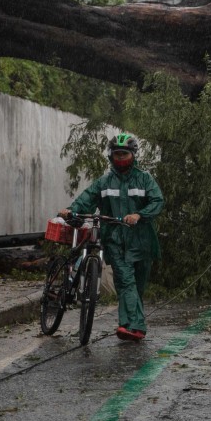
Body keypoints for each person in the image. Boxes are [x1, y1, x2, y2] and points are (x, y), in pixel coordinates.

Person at [60, 133, 164, 342]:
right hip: (115, 240)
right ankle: (129, 326)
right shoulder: (105, 182)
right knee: (126, 282)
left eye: (124, 153)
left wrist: (139, 215)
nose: (120, 158)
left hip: (142, 240)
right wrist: (71, 210)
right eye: (117, 154)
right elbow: (86, 199)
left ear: (134, 155)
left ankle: (137, 326)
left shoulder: (145, 179)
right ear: (111, 156)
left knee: (138, 285)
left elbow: (157, 201)